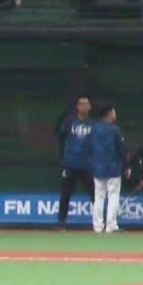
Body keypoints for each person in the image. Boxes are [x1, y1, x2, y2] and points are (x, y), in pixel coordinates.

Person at [55, 95, 93, 229]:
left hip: (87, 165)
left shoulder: (93, 124)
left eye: (86, 104)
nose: (83, 107)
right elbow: (61, 139)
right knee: (65, 193)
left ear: (89, 107)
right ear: (77, 107)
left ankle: (99, 222)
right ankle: (61, 221)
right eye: (81, 104)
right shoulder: (69, 122)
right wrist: (64, 159)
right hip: (70, 164)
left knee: (94, 193)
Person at [89, 104, 125, 233]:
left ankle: (97, 226)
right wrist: (125, 165)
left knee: (98, 197)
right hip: (112, 167)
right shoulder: (115, 130)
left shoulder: (94, 128)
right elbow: (120, 149)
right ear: (109, 114)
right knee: (113, 196)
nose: (115, 114)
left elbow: (89, 147)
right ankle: (111, 225)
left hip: (98, 167)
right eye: (113, 112)